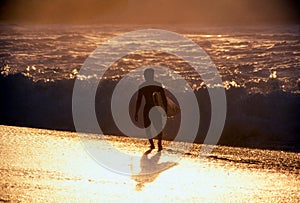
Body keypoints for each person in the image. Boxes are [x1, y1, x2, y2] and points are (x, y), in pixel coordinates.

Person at [134, 68, 167, 151]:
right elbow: (164, 99)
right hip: (154, 108)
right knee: (153, 127)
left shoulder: (143, 86)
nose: (146, 77)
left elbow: (164, 99)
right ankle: (157, 144)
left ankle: (155, 144)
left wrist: (136, 112)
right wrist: (165, 110)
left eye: (146, 75)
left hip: (149, 108)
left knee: (152, 127)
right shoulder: (157, 85)